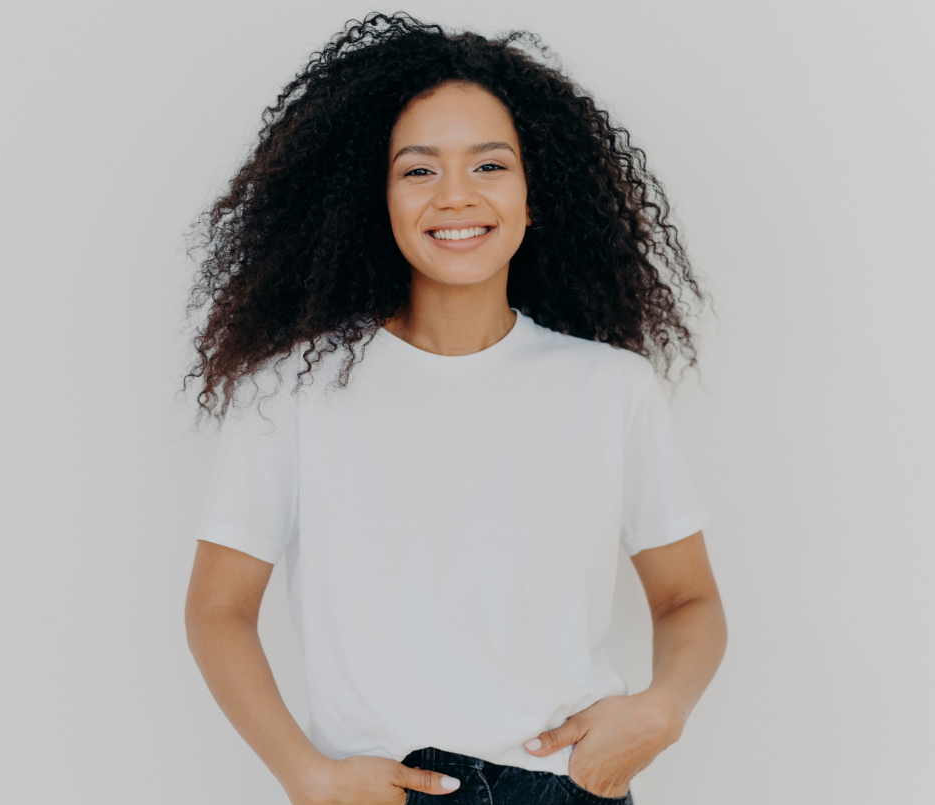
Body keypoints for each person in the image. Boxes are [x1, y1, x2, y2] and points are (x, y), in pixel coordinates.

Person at [182, 13, 726, 805]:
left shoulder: (610, 387)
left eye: (491, 165)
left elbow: (690, 598)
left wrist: (662, 709)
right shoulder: (288, 393)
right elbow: (218, 608)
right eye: (419, 170)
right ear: (375, 197)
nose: (457, 196)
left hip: (566, 788)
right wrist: (305, 775)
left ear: (537, 194)